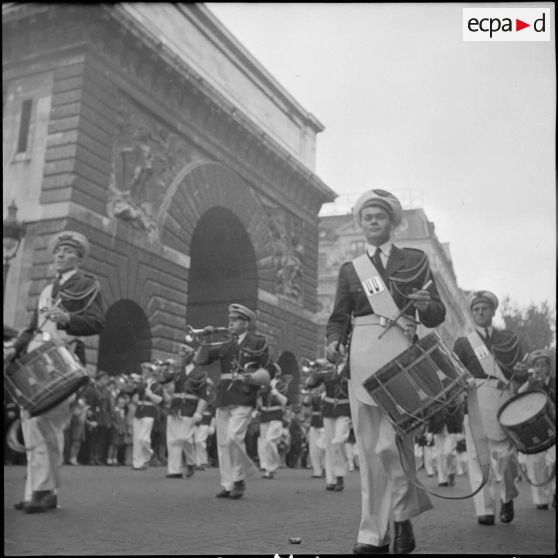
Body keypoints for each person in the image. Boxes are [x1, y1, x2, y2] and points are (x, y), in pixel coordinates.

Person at [326, 189, 446, 554]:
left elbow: (437, 313)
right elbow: (338, 318)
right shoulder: (350, 270)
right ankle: (372, 534)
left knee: (393, 444)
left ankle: (402, 518)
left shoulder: (416, 259)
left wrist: (426, 306)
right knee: (367, 448)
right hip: (361, 355)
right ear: (361, 224)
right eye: (367, 217)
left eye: (379, 216)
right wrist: (333, 342)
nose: (373, 222)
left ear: (392, 222)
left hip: (400, 354)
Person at [4, 230, 105, 513]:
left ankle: (44, 491)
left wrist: (69, 318)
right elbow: (33, 327)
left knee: (45, 423)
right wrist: (15, 348)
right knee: (32, 422)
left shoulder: (87, 283)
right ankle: (38, 491)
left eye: (68, 251)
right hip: (38, 359)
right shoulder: (48, 289)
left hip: (64, 360)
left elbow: (97, 322)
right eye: (58, 251)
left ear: (79, 257)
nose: (60, 255)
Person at [453, 290, 527, 526]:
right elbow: (455, 372)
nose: (480, 312)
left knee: (505, 456)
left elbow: (519, 368)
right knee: (477, 456)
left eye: (484, 308)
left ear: (493, 311)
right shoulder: (463, 343)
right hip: (475, 400)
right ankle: (484, 509)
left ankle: (507, 498)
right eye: (476, 309)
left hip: (501, 397)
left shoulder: (508, 338)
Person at [194, 303, 270, 500]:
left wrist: (254, 378)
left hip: (245, 393)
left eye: (235, 321)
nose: (230, 324)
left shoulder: (257, 342)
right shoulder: (224, 343)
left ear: (245, 324)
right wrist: (205, 339)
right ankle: (228, 484)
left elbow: (270, 369)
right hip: (225, 396)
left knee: (233, 437)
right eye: (230, 321)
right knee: (223, 443)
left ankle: (239, 479)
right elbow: (200, 360)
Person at [160, 345, 208, 479]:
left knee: (183, 438)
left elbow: (204, 396)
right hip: (176, 408)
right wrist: (163, 369)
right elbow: (162, 380)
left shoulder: (200, 374)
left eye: (183, 356)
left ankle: (191, 462)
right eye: (180, 355)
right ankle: (174, 470)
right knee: (172, 440)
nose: (180, 358)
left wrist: (199, 412)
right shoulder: (177, 371)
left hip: (189, 409)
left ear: (190, 356)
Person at [516, 349, 556, 510]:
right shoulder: (531, 382)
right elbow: (519, 395)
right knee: (536, 463)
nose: (540, 369)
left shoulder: (553, 382)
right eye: (537, 365)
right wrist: (531, 382)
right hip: (535, 429)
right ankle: (541, 499)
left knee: (553, 461)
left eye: (543, 365)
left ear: (548, 367)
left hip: (553, 425)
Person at [305, 359, 351, 492]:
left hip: (344, 408)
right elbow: (310, 384)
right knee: (330, 445)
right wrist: (316, 371)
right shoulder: (327, 371)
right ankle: (331, 480)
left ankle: (340, 475)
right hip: (329, 408)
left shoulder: (350, 367)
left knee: (338, 441)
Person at [131, 362, 164, 470]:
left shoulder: (157, 385)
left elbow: (159, 400)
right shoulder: (140, 382)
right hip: (139, 411)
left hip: (149, 412)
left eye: (146, 370)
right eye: (143, 370)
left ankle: (148, 454)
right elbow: (131, 391)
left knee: (143, 438)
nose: (144, 372)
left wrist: (150, 394)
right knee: (136, 439)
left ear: (151, 372)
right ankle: (137, 463)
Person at [257, 368, 289, 479]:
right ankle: (266, 468)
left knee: (271, 440)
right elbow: (258, 397)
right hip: (264, 415)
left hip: (275, 415)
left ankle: (273, 466)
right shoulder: (262, 384)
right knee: (264, 443)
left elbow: (285, 401)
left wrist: (276, 393)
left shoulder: (281, 385)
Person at [302, 385, 326, 478]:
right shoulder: (313, 396)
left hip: (325, 423)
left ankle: (325, 468)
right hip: (315, 423)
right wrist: (308, 396)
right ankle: (317, 471)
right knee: (313, 448)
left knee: (323, 446)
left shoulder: (330, 393)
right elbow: (306, 410)